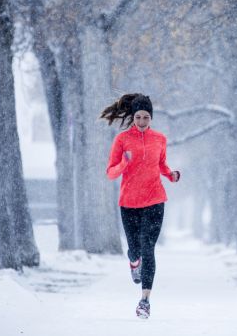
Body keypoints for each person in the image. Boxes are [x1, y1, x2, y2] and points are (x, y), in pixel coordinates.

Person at [101, 93, 180, 319]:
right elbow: (110, 172)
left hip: (155, 200)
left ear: (151, 117)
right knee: (135, 248)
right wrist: (124, 163)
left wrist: (171, 175)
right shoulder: (122, 140)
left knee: (148, 248)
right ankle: (133, 260)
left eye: (146, 117)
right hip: (129, 203)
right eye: (138, 117)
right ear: (133, 117)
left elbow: (161, 164)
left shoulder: (160, 139)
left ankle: (145, 300)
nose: (142, 121)